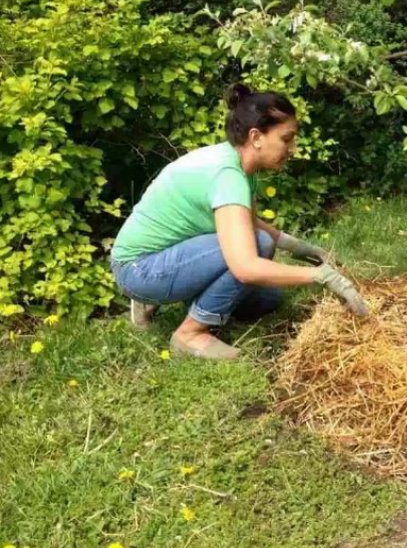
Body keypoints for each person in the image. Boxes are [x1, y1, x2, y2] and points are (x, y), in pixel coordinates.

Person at [110, 83, 367, 360]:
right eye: (286, 139)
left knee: (269, 299)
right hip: (139, 267)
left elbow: (249, 222)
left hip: (168, 258)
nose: (292, 148)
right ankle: (189, 333)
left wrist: (303, 249)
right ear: (256, 137)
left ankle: (187, 302)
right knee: (256, 248)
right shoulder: (227, 176)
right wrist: (322, 277)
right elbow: (244, 266)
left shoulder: (239, 163)